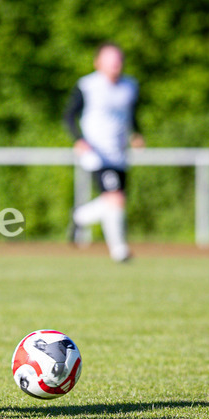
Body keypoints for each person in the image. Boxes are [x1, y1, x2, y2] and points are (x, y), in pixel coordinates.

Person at [63, 42, 145, 262]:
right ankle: (120, 251)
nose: (115, 64)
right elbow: (69, 116)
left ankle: (80, 216)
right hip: (97, 152)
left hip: (119, 153)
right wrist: (78, 139)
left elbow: (132, 114)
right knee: (114, 198)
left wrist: (137, 133)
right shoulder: (87, 85)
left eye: (118, 59)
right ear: (97, 62)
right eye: (110, 59)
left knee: (116, 201)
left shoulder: (130, 86)